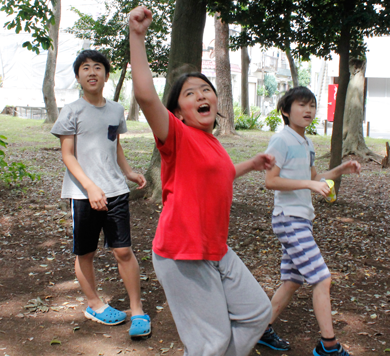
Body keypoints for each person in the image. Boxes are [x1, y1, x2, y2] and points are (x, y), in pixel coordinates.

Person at [129, 6, 274, 356]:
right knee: (212, 341)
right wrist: (137, 36)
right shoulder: (175, 136)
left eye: (206, 90)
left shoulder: (212, 144)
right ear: (177, 111)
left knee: (257, 313)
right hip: (182, 251)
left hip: (215, 248)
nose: (201, 96)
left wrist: (251, 164)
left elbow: (218, 177)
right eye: (190, 93)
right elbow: (146, 95)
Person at [51, 49, 151, 337]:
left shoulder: (116, 110)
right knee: (86, 252)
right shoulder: (71, 110)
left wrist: (129, 172)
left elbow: (113, 144)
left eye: (98, 67)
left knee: (123, 250)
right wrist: (90, 186)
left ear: (107, 76)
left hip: (116, 190)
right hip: (84, 193)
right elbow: (68, 155)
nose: (92, 72)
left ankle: (138, 310)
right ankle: (94, 303)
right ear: (78, 77)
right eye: (85, 68)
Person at [261, 86, 361, 356]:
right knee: (322, 278)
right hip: (288, 220)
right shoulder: (281, 140)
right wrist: (307, 183)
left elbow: (315, 177)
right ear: (285, 111)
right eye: (302, 105)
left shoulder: (307, 142)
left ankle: (260, 330)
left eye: (312, 105)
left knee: (292, 281)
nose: (308, 110)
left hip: (302, 221)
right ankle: (329, 346)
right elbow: (270, 181)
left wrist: (340, 169)